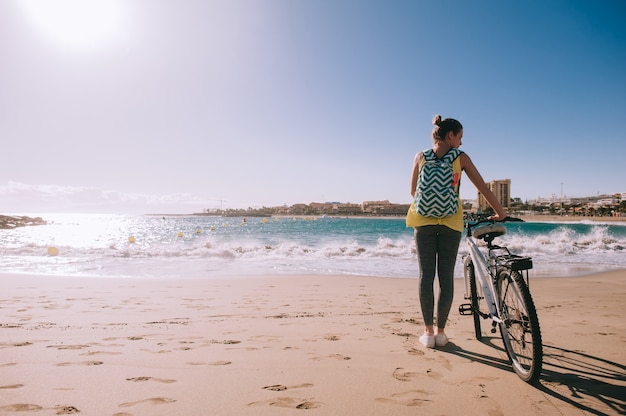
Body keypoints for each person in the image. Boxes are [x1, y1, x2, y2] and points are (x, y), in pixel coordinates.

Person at [410, 115, 507, 348]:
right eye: (460, 137)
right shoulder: (460, 158)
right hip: (451, 224)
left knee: (426, 277)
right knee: (445, 278)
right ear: (450, 135)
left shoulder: (420, 156)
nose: (461, 143)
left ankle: (428, 333)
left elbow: (413, 191)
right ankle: (442, 333)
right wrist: (500, 212)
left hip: (422, 222)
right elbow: (482, 186)